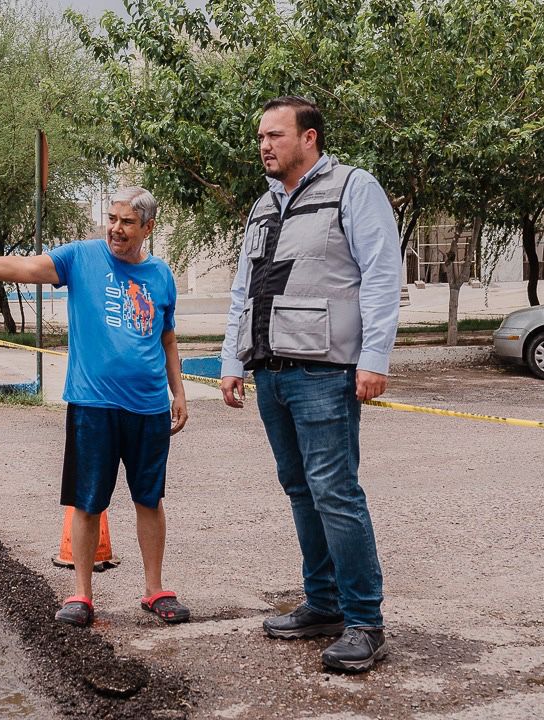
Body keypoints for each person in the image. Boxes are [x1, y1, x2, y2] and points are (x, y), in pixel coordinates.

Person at [0, 187, 190, 628]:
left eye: (127, 222)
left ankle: (154, 589)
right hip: (93, 405)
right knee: (87, 501)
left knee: (150, 498)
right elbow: (27, 267)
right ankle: (82, 595)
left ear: (147, 227)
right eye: (112, 218)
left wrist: (178, 392)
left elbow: (167, 338)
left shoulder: (161, 275)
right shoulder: (82, 257)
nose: (116, 229)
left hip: (149, 407)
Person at [220, 96, 401, 672]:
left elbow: (381, 275)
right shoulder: (263, 205)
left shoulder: (353, 188)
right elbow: (243, 290)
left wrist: (374, 358)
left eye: (274, 135)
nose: (264, 146)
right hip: (271, 374)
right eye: (260, 137)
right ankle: (323, 605)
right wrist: (232, 361)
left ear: (309, 138)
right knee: (301, 490)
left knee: (335, 493)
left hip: (325, 372)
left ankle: (365, 622)